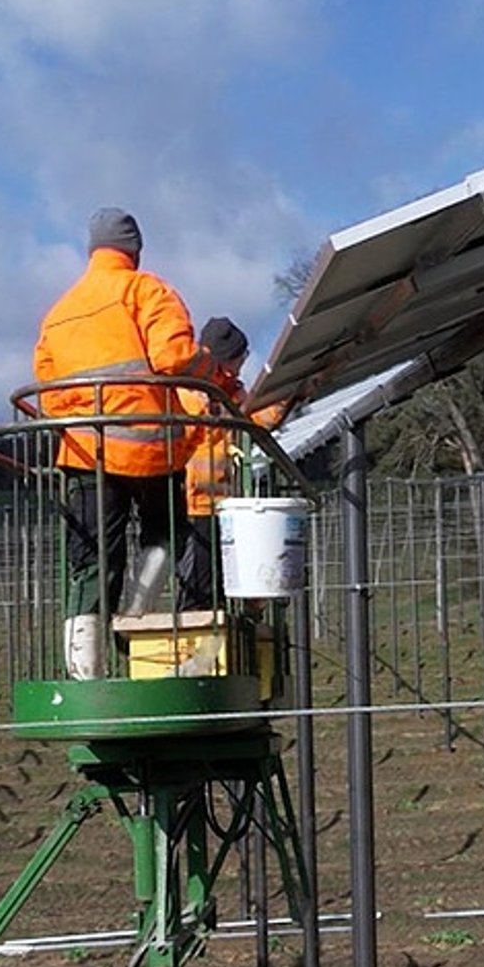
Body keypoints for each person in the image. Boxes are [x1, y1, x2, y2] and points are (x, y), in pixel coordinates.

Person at [33, 207, 228, 679]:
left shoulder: (59, 311)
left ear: (92, 250)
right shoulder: (147, 290)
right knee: (166, 535)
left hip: (83, 454)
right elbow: (172, 357)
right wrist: (211, 370)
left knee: (93, 555)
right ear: (135, 249)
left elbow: (45, 384)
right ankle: (136, 615)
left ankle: (85, 672)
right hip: (148, 449)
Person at [174, 317, 287, 608]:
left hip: (222, 503)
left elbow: (254, 423)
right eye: (240, 358)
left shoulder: (230, 392)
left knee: (219, 586)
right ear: (225, 359)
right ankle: (194, 645)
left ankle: (222, 643)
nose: (242, 365)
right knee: (198, 588)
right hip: (193, 503)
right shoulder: (190, 393)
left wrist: (286, 397)